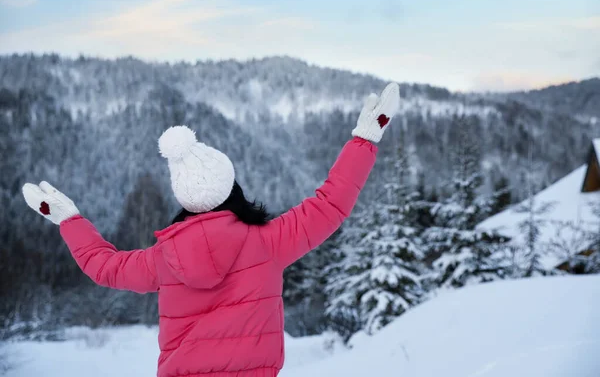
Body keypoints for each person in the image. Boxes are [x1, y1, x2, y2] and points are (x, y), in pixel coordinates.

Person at [22, 82, 400, 377]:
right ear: (232, 188)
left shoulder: (163, 260)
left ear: (184, 201)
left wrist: (69, 220)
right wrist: (364, 140)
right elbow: (330, 204)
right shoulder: (269, 242)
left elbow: (104, 266)